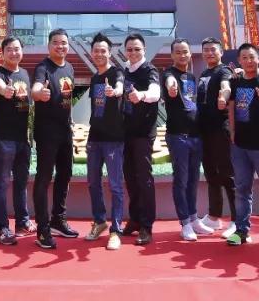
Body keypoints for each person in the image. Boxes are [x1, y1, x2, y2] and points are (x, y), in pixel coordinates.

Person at [224, 43, 259, 247]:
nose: (248, 61)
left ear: (258, 59)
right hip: (239, 145)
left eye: (252, 57)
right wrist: (232, 131)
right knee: (242, 189)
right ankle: (241, 230)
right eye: (244, 58)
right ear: (239, 60)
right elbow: (231, 107)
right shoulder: (236, 81)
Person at [32, 28, 78, 249]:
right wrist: (38, 93)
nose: (60, 46)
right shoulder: (43, 67)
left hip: (65, 130)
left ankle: (58, 220)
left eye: (64, 43)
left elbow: (66, 98)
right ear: (49, 45)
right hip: (47, 131)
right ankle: (42, 229)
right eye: (56, 42)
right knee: (44, 178)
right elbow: (35, 88)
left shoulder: (69, 67)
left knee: (65, 174)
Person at [0, 36, 35, 245]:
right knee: (2, 183)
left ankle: (22, 222)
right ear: (3, 53)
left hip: (23, 138)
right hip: (4, 138)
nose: (14, 53)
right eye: (9, 49)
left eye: (17, 49)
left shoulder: (24, 73)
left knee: (22, 183)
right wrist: (4, 90)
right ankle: (2, 228)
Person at [163, 38, 210, 241]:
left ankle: (193, 217)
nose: (182, 55)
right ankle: (184, 222)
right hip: (178, 136)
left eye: (185, 52)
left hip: (195, 136)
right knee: (181, 180)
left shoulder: (191, 77)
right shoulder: (168, 74)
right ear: (172, 55)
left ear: (190, 54)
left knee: (193, 180)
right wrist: (171, 88)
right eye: (178, 52)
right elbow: (170, 83)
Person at [84, 33, 125, 250]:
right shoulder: (94, 78)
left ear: (109, 53)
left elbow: (119, 87)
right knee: (93, 182)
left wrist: (115, 91)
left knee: (115, 185)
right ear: (92, 53)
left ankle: (116, 230)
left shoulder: (116, 72)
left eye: (103, 51)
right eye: (96, 51)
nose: (99, 54)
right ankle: (99, 221)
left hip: (113, 139)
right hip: (95, 138)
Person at [120, 33, 161, 246]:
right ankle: (135, 219)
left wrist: (142, 95)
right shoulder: (124, 71)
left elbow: (155, 92)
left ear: (144, 50)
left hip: (144, 133)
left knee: (144, 178)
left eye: (137, 49)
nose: (133, 52)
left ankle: (146, 225)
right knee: (130, 177)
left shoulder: (150, 70)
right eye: (130, 49)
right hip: (125, 132)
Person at [196, 37, 237, 239]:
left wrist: (223, 96)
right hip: (205, 131)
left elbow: (226, 86)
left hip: (221, 129)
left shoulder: (224, 71)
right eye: (206, 50)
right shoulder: (204, 73)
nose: (209, 53)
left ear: (221, 52)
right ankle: (214, 216)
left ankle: (237, 220)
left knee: (228, 175)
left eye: (213, 49)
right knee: (211, 174)